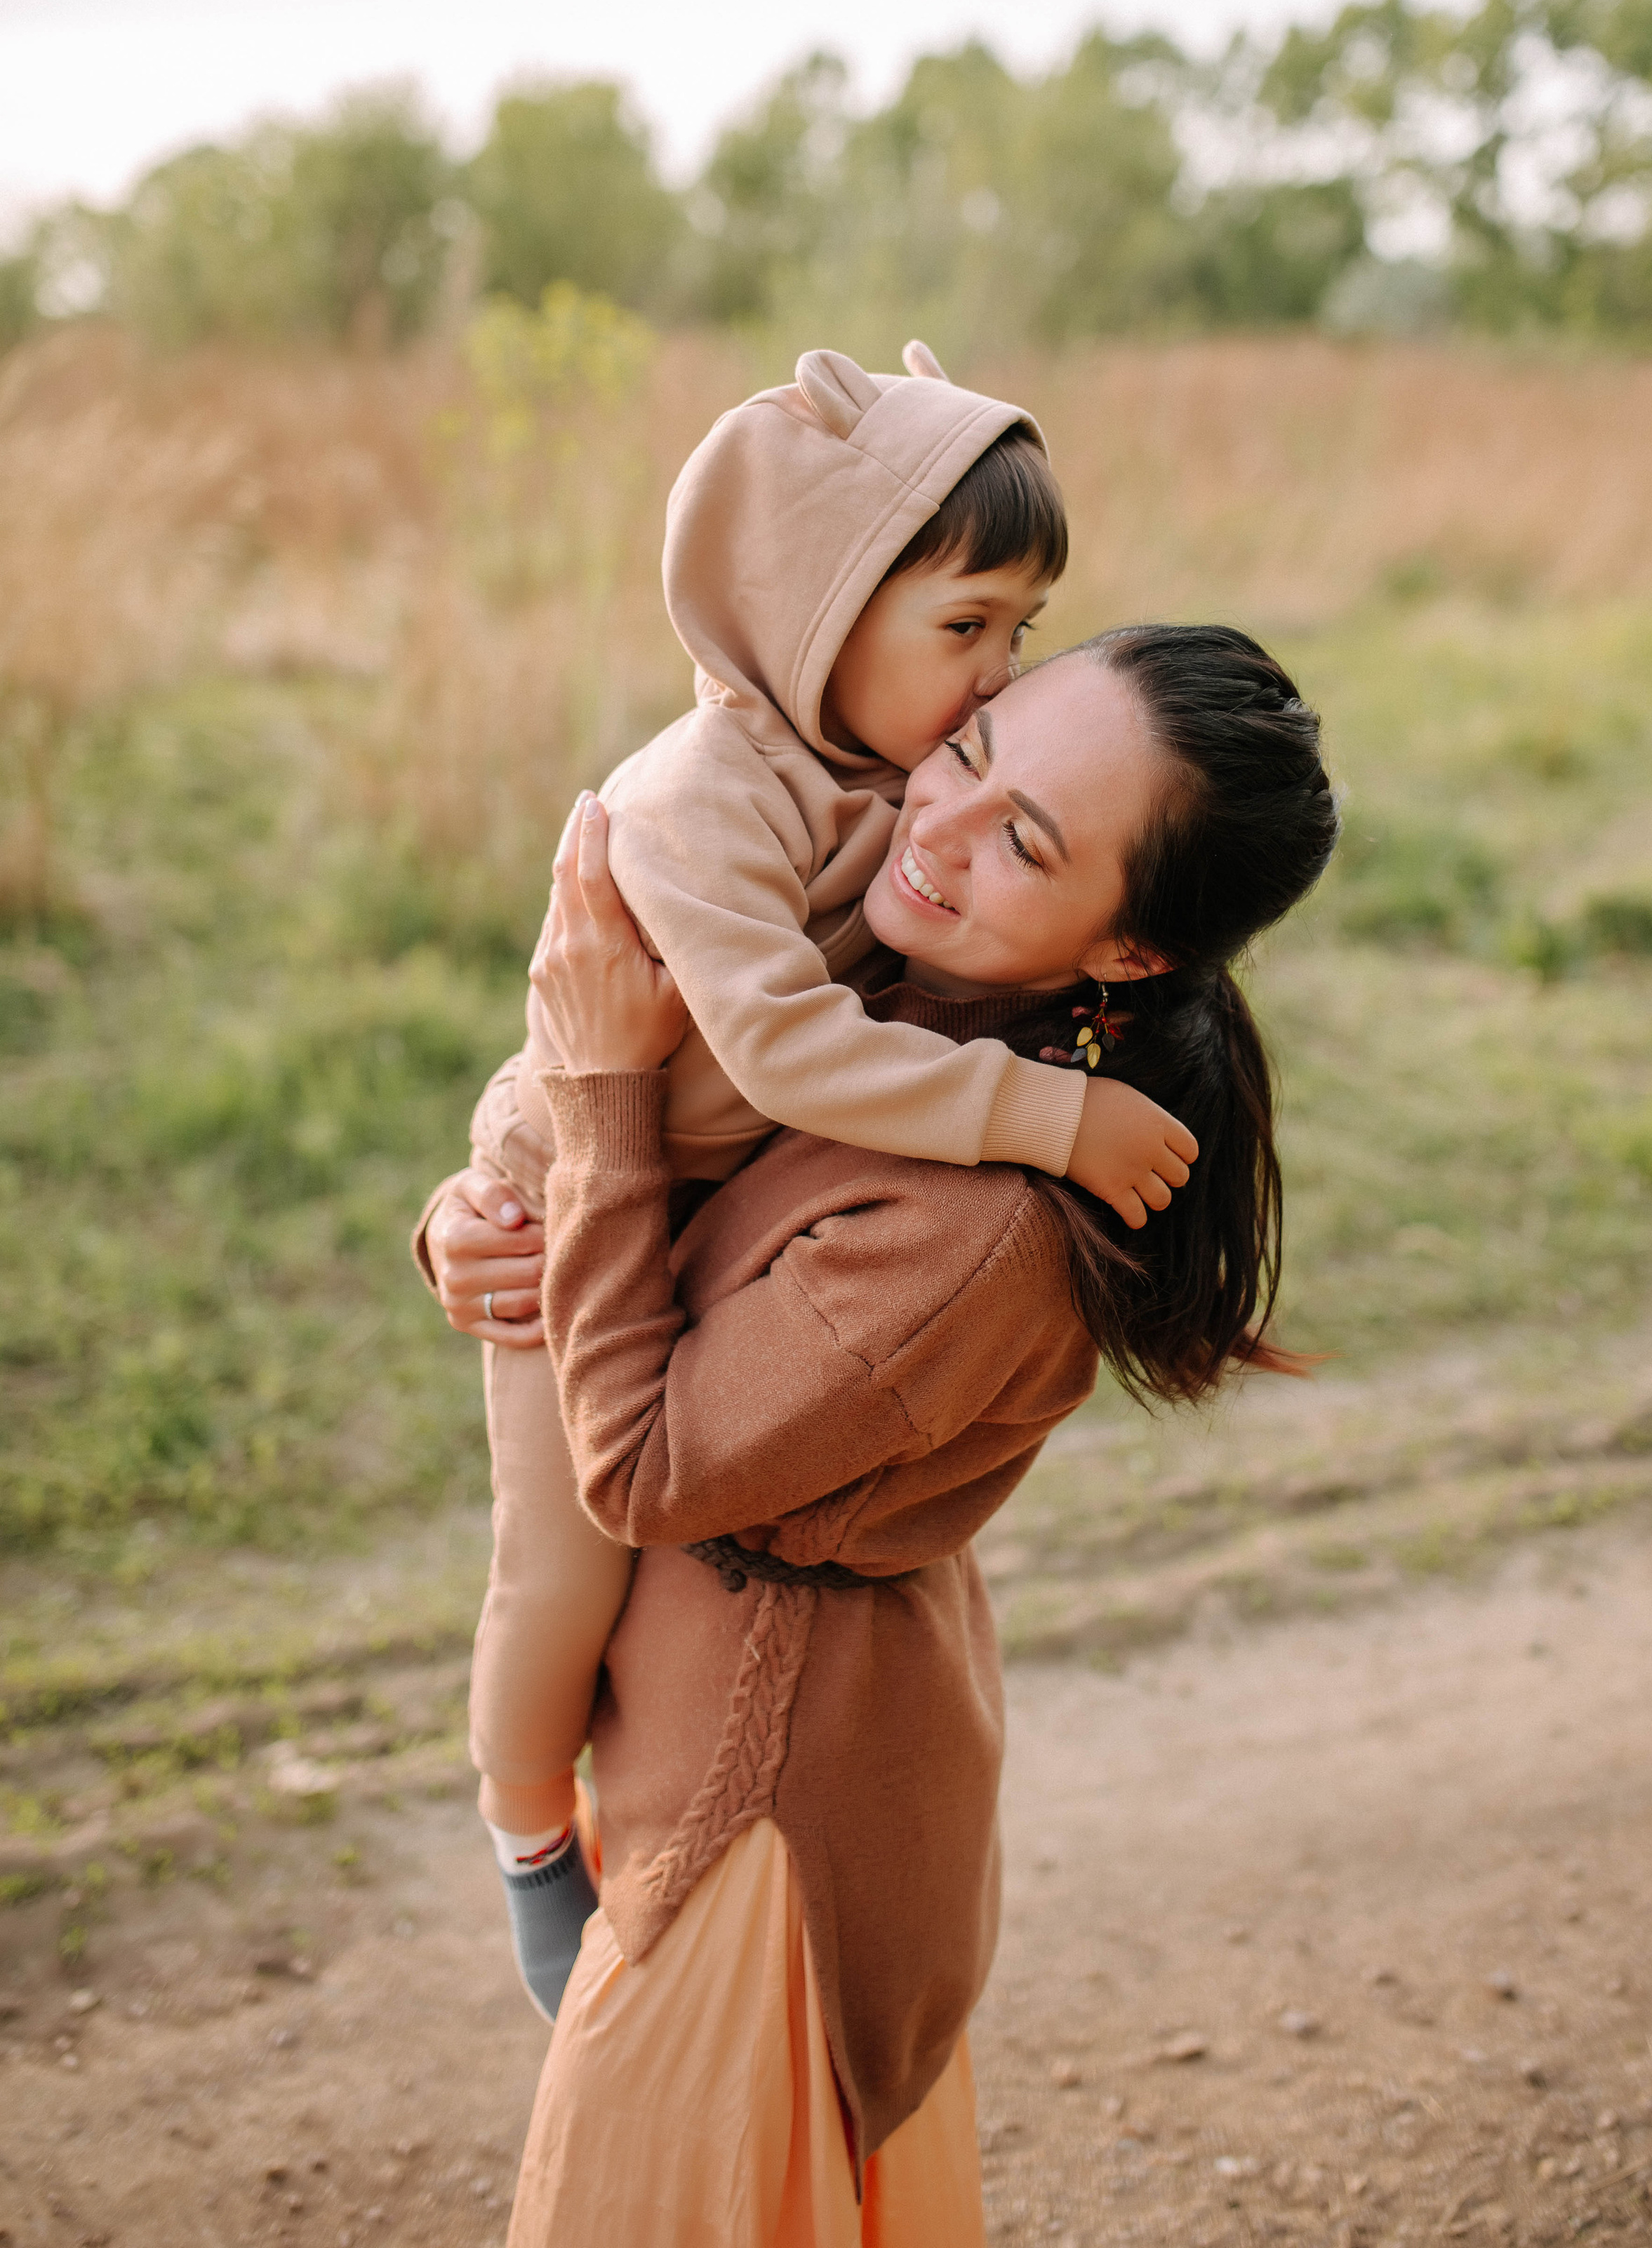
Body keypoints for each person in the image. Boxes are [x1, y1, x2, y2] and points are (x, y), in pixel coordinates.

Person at [422, 621, 1340, 2242]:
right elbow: (657, 1213)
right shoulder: (865, 1001)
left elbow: (638, 1463)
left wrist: (600, 1095)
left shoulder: (977, 1225)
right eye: (967, 752)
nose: (939, 826)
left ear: (1130, 952)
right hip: (724, 1736)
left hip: (765, 1807)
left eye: (1024, 844)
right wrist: (476, 1229)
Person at [414, 344, 1197, 2018]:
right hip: (566, 1183)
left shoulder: (879, 777)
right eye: (963, 627)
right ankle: (525, 1826)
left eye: (1019, 631)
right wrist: (1046, 1116)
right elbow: (775, 1051)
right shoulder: (701, 795)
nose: (991, 685)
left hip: (676, 1183)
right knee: (555, 1576)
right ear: (819, 610)